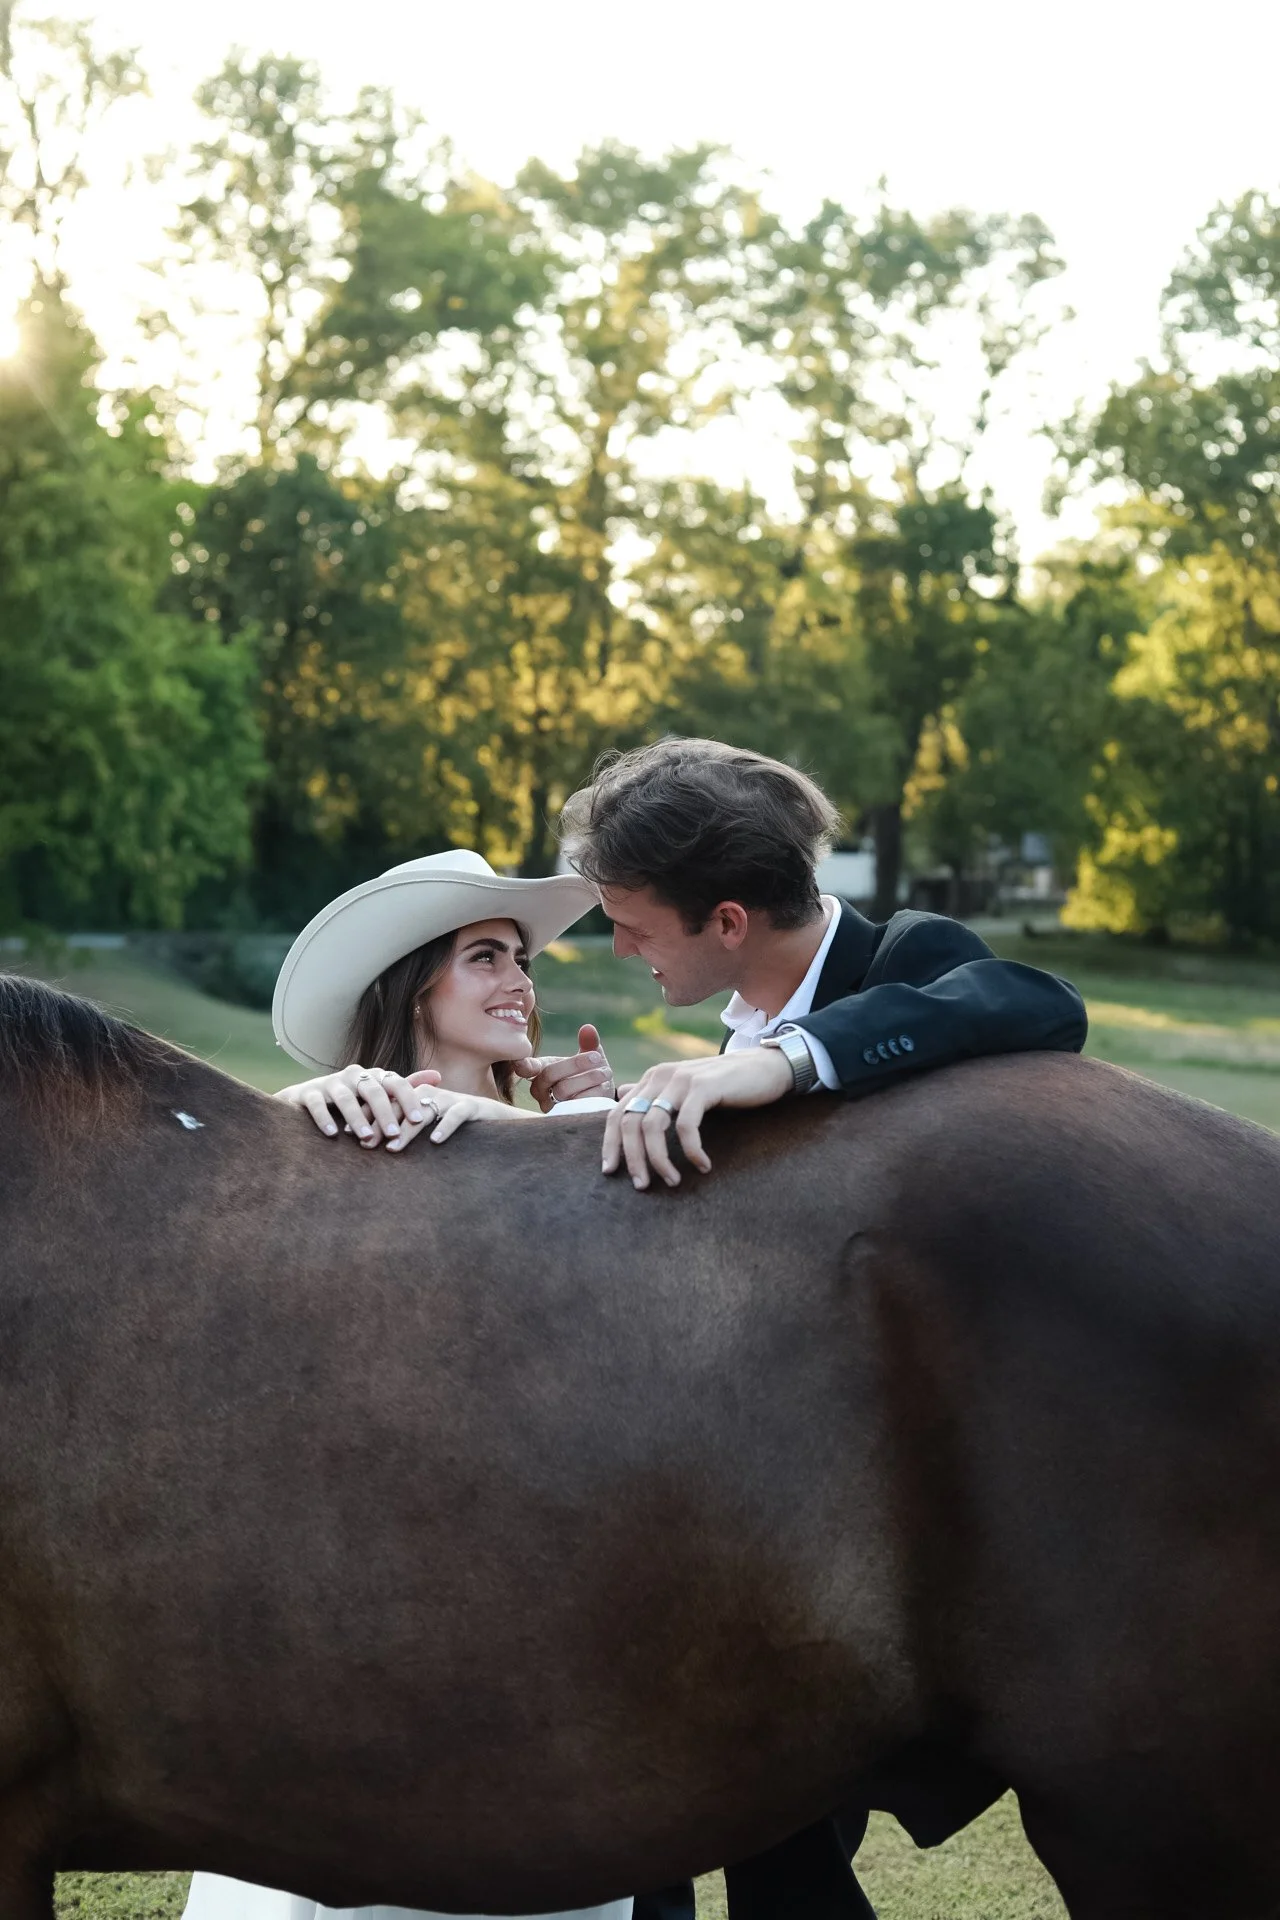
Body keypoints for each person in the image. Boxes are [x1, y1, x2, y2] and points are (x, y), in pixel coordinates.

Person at [183, 849, 624, 1920]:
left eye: (520, 958)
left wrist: (568, 1129)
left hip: (548, 1597)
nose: (520, 980)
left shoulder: (592, 1136)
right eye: (485, 957)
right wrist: (295, 1112)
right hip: (354, 1598)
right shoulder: (326, 1130)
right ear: (411, 984)